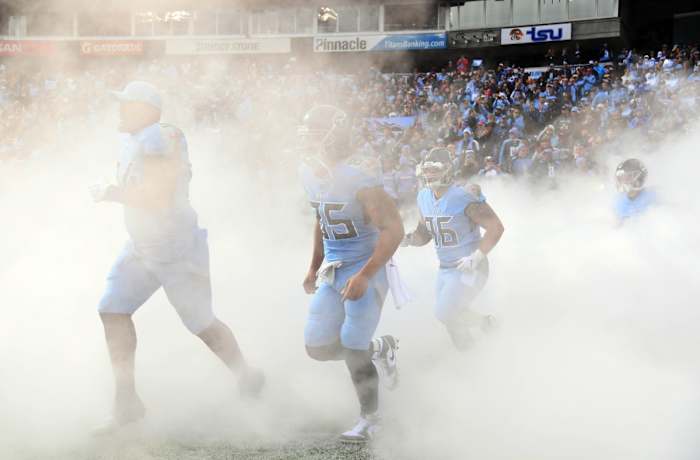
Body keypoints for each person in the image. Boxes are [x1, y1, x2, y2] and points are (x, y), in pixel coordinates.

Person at [90, 81, 264, 434]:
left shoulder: (159, 137)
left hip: (178, 251)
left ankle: (246, 375)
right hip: (142, 247)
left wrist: (111, 193)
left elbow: (157, 196)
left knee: (201, 324)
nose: (120, 111)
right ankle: (127, 402)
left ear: (147, 110)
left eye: (127, 104)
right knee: (112, 309)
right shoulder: (138, 139)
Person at [298, 105, 404, 443]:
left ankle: (371, 419)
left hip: (365, 269)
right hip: (333, 270)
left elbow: (394, 230)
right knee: (316, 346)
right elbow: (322, 219)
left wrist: (364, 275)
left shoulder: (360, 182)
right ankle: (380, 348)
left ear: (332, 137)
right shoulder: (311, 174)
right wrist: (314, 265)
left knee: (353, 345)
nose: (306, 138)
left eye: (314, 131)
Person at [402, 147, 504, 350]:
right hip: (445, 268)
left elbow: (496, 227)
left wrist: (476, 257)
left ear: (448, 169)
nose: (430, 174)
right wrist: (407, 239)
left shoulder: (463, 196)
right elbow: (425, 233)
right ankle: (470, 353)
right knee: (451, 318)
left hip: (471, 267)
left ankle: (486, 325)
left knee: (445, 313)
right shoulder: (424, 196)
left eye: (435, 169)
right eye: (427, 169)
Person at [614, 158, 655, 223]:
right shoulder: (618, 202)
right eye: (621, 177)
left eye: (628, 176)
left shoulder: (652, 196)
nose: (623, 181)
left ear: (639, 178)